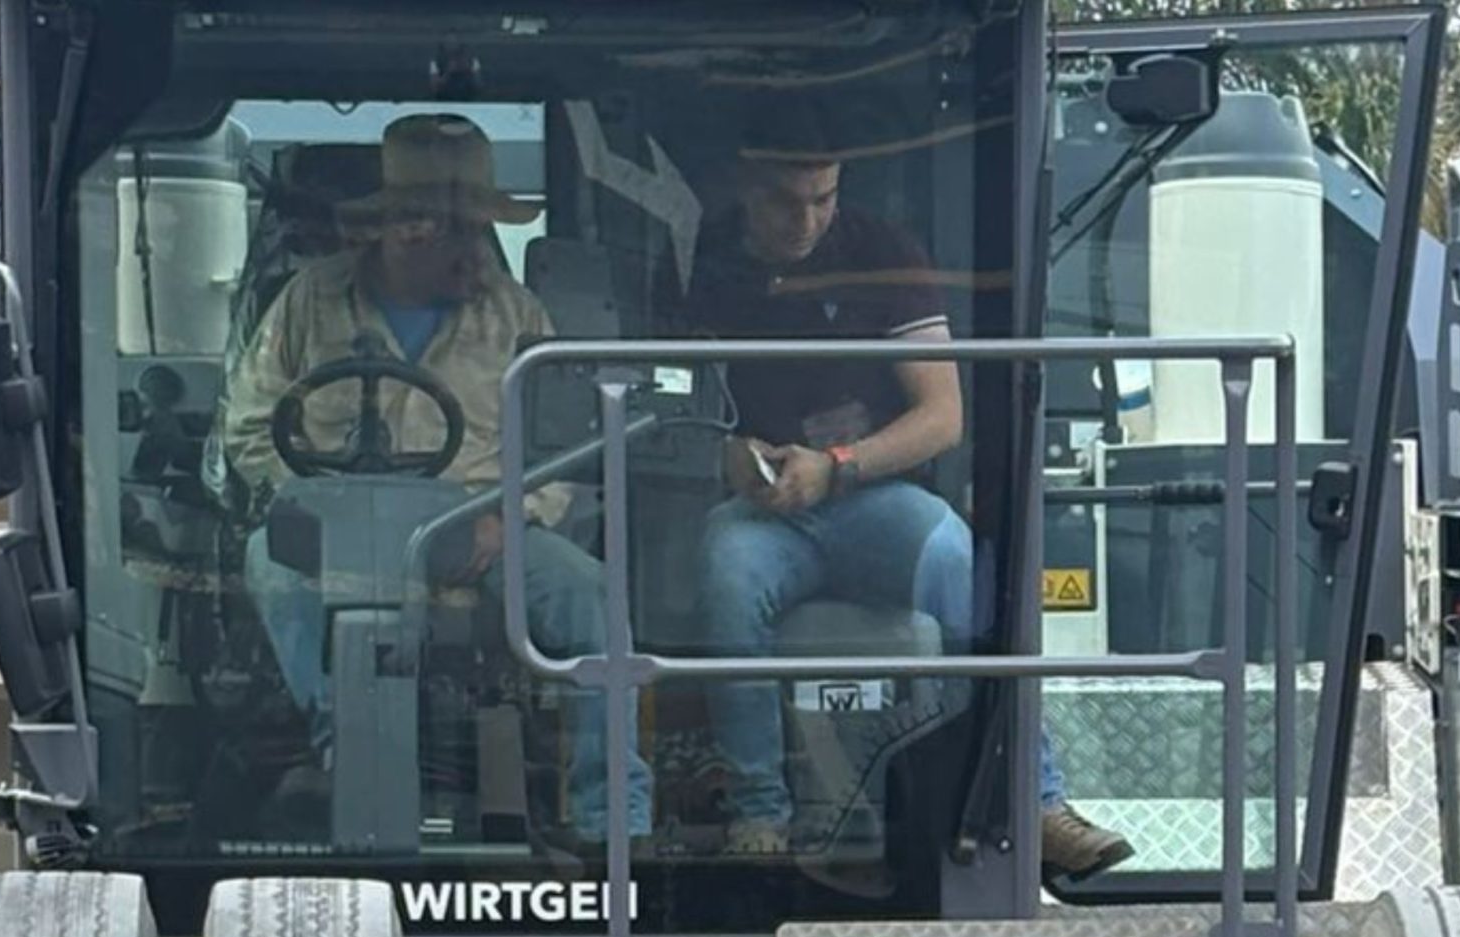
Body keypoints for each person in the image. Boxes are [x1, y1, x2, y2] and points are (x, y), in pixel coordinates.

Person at [677, 108, 1134, 882]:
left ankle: (1035, 800)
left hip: (871, 498)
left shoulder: (882, 252)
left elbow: (943, 416)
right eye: (788, 201)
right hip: (764, 513)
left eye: (824, 198)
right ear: (745, 190)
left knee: (957, 554)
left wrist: (838, 465)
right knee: (726, 566)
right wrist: (725, 453)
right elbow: (668, 399)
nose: (807, 219)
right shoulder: (704, 258)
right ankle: (759, 811)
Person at [218, 112, 651, 851]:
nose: (479, 250)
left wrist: (509, 519)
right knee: (271, 563)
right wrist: (307, 505)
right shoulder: (306, 302)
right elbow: (247, 427)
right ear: (405, 229)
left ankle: (614, 817)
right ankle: (341, 749)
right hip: (336, 523)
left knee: (590, 594)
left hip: (478, 519)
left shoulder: (520, 316)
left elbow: (567, 449)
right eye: (462, 231)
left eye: (482, 229)